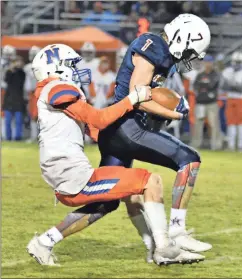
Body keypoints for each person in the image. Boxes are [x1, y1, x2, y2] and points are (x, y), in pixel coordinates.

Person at [26, 44, 203, 266]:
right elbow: (98, 119)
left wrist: (128, 136)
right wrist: (131, 100)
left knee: (116, 200)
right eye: (71, 65)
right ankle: (164, 248)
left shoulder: (54, 92)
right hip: (72, 176)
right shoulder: (56, 88)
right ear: (57, 68)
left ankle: (44, 242)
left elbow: (97, 130)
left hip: (66, 175)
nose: (78, 70)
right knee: (151, 181)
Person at [73, 14, 213, 263]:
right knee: (189, 160)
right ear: (182, 38)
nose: (189, 58)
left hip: (119, 129)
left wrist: (163, 115)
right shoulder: (154, 46)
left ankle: (46, 240)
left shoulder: (163, 53)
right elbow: (137, 94)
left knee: (106, 202)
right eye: (191, 50)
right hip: (126, 127)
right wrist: (173, 113)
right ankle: (177, 231)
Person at [191, 55, 222, 150]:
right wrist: (205, 86)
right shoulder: (200, 74)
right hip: (200, 103)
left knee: (214, 125)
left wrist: (203, 86)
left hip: (211, 103)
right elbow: (195, 86)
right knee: (197, 125)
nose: (207, 64)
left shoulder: (216, 74)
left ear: (212, 63)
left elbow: (211, 85)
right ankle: (196, 145)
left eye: (209, 62)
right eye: (205, 62)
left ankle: (216, 146)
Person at [221, 52, 242, 152]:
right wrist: (235, 85)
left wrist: (232, 85)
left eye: (239, 62)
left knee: (240, 123)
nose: (237, 64)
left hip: (241, 99)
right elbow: (224, 87)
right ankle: (231, 145)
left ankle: (240, 146)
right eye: (236, 62)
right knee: (231, 123)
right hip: (230, 98)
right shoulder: (227, 71)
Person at [3, 55, 26, 141]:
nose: (17, 63)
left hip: (18, 101)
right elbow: (6, 80)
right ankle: (8, 137)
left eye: (18, 62)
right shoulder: (9, 72)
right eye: (15, 62)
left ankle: (17, 137)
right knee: (7, 121)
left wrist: (16, 69)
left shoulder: (22, 73)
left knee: (18, 121)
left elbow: (20, 82)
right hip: (8, 100)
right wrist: (11, 70)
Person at [24, 46, 41, 143]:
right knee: (32, 116)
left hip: (40, 93)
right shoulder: (27, 67)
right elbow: (26, 83)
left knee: (41, 117)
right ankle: (34, 136)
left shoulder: (44, 67)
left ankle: (40, 137)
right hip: (31, 93)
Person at [1, 45, 16, 140]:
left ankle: (8, 135)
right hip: (3, 90)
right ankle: (4, 135)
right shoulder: (3, 63)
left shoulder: (12, 64)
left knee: (9, 114)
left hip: (10, 91)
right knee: (3, 114)